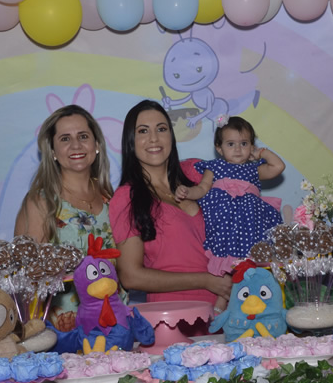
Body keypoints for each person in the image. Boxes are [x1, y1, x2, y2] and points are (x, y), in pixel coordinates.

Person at [109, 100, 232, 307]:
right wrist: (205, 280)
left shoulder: (195, 172)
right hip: (173, 314)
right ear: (130, 141)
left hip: (232, 310)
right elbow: (130, 276)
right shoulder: (126, 197)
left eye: (161, 129)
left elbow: (240, 181)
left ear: (171, 136)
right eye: (143, 131)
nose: (154, 138)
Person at [14, 104, 115, 331]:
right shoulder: (41, 202)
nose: (76, 145)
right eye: (65, 139)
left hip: (115, 325)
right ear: (52, 151)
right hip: (63, 333)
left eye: (83, 136)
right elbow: (26, 281)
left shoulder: (111, 198)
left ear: (97, 145)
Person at [174, 116, 284, 275]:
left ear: (251, 146)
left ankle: (252, 276)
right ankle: (224, 280)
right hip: (224, 223)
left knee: (253, 258)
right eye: (231, 144)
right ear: (219, 148)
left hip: (251, 224)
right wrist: (187, 192)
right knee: (224, 256)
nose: (238, 149)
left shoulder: (254, 169)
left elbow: (278, 166)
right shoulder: (215, 167)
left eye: (244, 144)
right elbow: (202, 188)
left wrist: (261, 152)